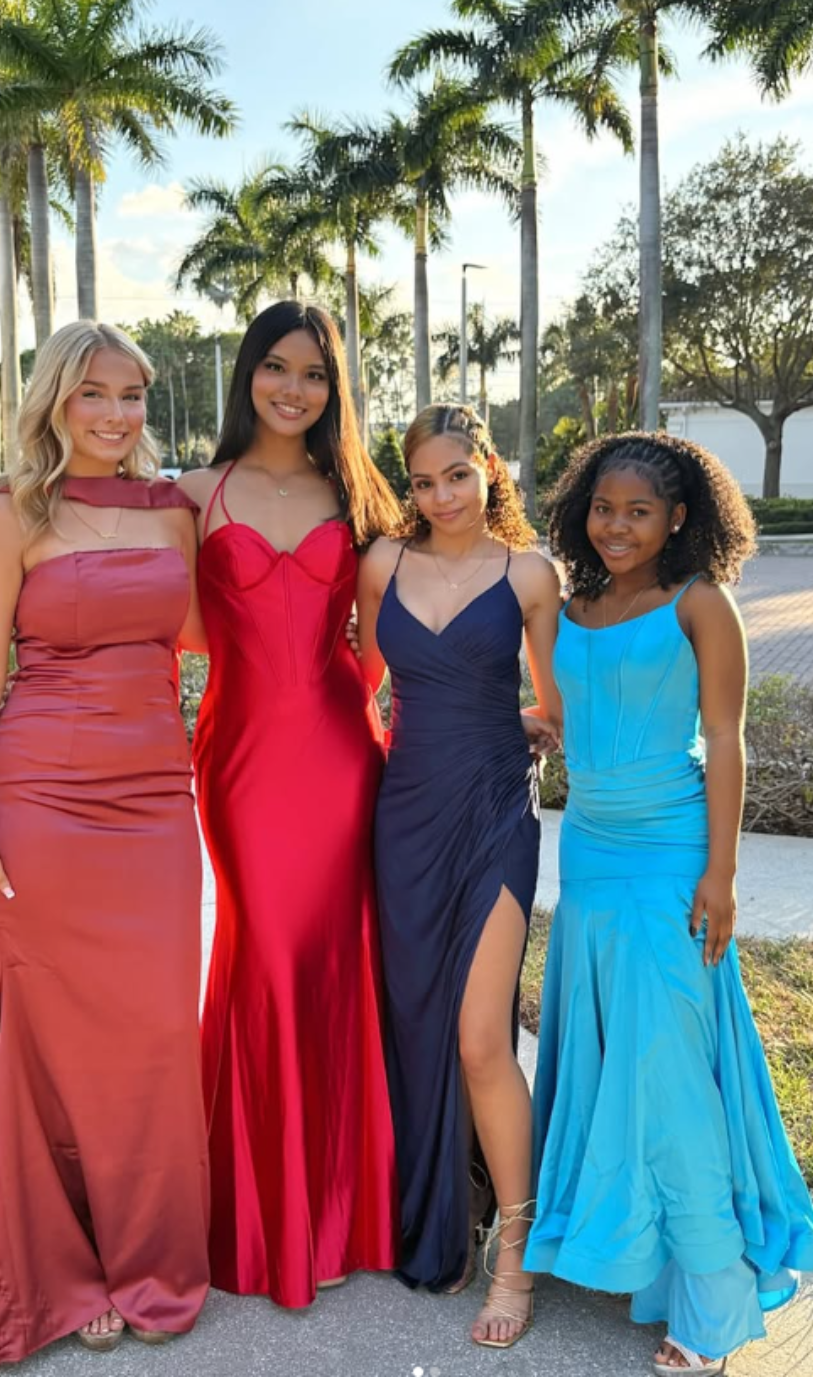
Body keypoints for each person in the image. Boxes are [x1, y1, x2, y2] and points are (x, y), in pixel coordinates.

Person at [0, 322, 211, 1368]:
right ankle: (66, 1268)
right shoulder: (9, 514)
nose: (113, 416)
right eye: (92, 395)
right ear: (55, 400)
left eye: (132, 396)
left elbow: (198, 640)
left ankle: (148, 1255)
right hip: (41, 800)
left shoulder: (175, 513)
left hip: (154, 801)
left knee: (151, 1037)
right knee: (55, 1039)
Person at [525, 431, 813, 1375]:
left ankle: (715, 1294)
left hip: (671, 852)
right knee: (619, 1059)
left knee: (671, 1071)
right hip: (592, 854)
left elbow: (725, 740)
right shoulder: (573, 604)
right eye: (603, 508)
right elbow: (568, 714)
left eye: (638, 511)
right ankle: (646, 1260)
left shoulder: (702, 603)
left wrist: (722, 874)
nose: (616, 525)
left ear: (678, 516)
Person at [178, 301, 399, 1308]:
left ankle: (343, 1211)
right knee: (261, 954)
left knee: (333, 961)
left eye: (314, 372)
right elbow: (170, 628)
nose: (294, 387)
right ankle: (256, 1218)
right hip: (237, 759)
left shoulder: (356, 496)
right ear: (248, 375)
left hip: (340, 753)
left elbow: (387, 639)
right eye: (276, 366)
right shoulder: (191, 494)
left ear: (333, 389)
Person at [354, 403, 562, 1349]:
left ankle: (513, 1255)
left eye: (457, 475)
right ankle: (444, 1208)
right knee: (415, 1028)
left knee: (483, 1038)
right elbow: (363, 683)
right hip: (402, 820)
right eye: (423, 481)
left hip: (492, 822)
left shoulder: (528, 574)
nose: (441, 496)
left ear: (490, 467)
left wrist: (507, 730)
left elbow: (552, 706)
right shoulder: (383, 566)